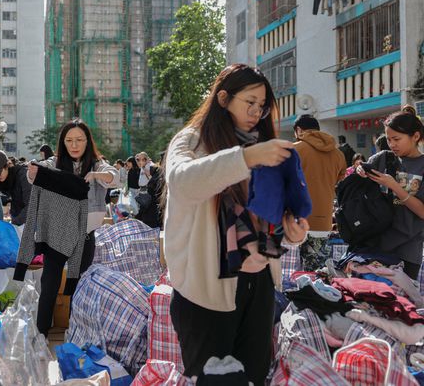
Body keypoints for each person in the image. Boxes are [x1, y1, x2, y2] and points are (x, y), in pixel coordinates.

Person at [164, 64, 308, 382]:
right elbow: (182, 181)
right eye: (250, 102)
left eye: (263, 105)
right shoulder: (191, 141)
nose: (257, 111)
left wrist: (292, 233)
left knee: (254, 375)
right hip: (206, 292)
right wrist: (247, 158)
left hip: (259, 287)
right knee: (213, 379)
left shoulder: (263, 147)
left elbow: (271, 220)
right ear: (224, 98)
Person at [24, 119, 120, 336]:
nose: (74, 145)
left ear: (87, 141)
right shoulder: (54, 162)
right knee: (49, 284)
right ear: (62, 142)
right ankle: (41, 335)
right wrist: (32, 171)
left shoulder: (97, 164)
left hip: (85, 236)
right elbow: (34, 176)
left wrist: (96, 175)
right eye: (69, 140)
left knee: (79, 286)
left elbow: (114, 177)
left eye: (79, 140)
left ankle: (76, 333)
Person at [356, 106, 424, 279]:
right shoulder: (383, 158)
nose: (392, 144)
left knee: (403, 304)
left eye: (396, 139)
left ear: (415, 136)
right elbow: (357, 173)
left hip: (408, 249)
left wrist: (394, 186)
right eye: (388, 139)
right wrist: (360, 172)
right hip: (376, 243)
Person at [293, 114, 346, 271]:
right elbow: (338, 181)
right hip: (323, 221)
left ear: (299, 130)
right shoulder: (338, 154)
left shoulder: (294, 150)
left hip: (295, 221)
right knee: (319, 276)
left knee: (290, 277)